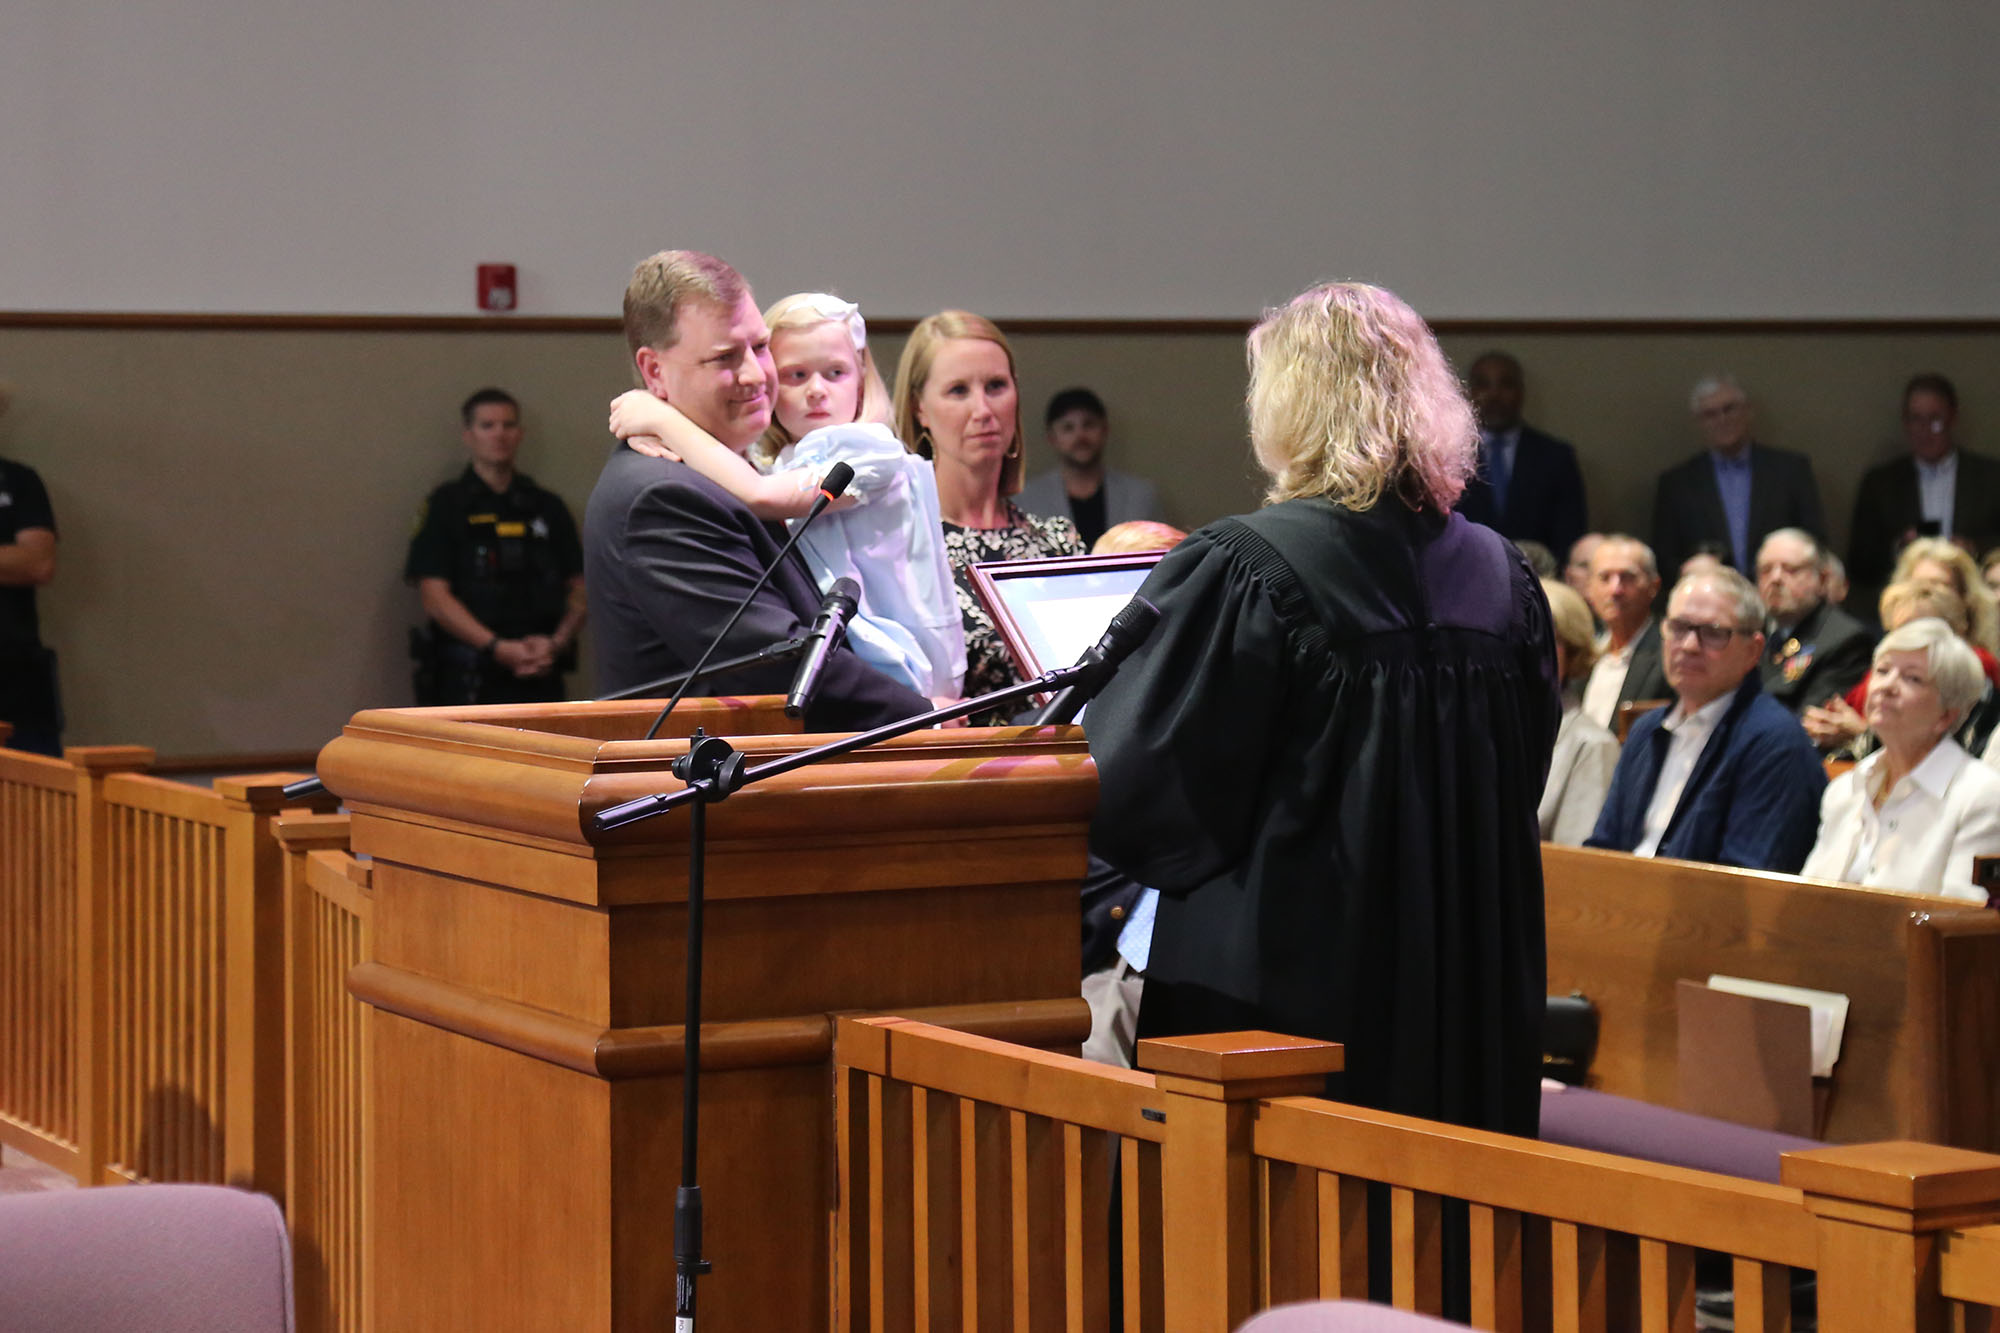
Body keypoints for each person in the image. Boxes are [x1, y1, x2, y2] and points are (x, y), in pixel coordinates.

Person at [1086, 280, 1559, 1141]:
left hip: (1293, 995)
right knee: (1442, 1243)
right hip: (1465, 987)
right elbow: (1523, 776)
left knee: (1284, 1242)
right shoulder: (1502, 576)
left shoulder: (1248, 565)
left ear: (1290, 404)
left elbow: (1139, 788)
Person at [583, 250, 931, 731]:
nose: (755, 375)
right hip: (715, 791)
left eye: (761, 347)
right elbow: (781, 666)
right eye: (724, 357)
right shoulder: (661, 497)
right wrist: (929, 719)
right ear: (655, 371)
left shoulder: (731, 467)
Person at [893, 312, 1085, 718]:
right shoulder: (897, 546)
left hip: (1066, 759)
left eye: (996, 386)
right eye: (958, 390)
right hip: (957, 766)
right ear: (920, 410)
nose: (982, 409)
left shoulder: (1057, 541)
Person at [1586, 566, 1826, 871]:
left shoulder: (1775, 741)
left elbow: (1746, 883)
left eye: (1713, 633)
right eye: (1679, 627)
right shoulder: (1646, 730)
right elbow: (1604, 850)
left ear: (1753, 651)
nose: (1688, 646)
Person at [405, 388, 586, 705]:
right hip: (468, 678)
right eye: (487, 425)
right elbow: (434, 597)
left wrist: (555, 643)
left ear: (520, 433)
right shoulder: (446, 506)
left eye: (508, 425)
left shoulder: (547, 507)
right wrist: (496, 647)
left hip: (541, 674)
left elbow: (581, 587)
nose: (499, 434)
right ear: (468, 434)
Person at [1800, 618, 2000, 900]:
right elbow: (1803, 900)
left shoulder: (1980, 796)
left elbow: (1961, 925)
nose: (1887, 686)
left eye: (1912, 678)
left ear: (1947, 715)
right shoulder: (1844, 790)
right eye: (1882, 671)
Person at [1847, 375, 2000, 611]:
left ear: (1952, 418)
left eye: (1935, 420)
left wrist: (1972, 548)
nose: (1924, 431)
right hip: (1902, 604)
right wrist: (1899, 547)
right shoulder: (1881, 483)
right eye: (1915, 419)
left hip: (1975, 602)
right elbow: (1859, 563)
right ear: (1905, 422)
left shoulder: (1990, 477)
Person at [1651, 374, 1824, 579]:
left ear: (1748, 411)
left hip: (1780, 596)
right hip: (1709, 599)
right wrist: (1689, 571)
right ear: (1699, 422)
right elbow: (1663, 558)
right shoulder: (1677, 483)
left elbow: (1815, 541)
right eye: (1710, 414)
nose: (1722, 419)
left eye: (1729, 409)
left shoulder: (1790, 470)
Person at [1803, 581, 2000, 760]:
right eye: (1895, 631)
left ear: (1954, 634)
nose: (1901, 642)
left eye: (1915, 632)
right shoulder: (1883, 672)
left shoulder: (1973, 685)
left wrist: (1862, 733)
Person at [1455, 351, 1589, 558]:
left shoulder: (1556, 457)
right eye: (1483, 384)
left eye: (1506, 384)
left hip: (1540, 579)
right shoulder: (1449, 457)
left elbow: (1570, 535)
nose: (1494, 395)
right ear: (1468, 392)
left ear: (1521, 392)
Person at [1014, 388, 1162, 551]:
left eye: (1089, 425)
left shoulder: (1140, 495)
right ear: (1052, 437)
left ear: (1105, 430)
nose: (1081, 436)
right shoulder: (1026, 501)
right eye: (1068, 428)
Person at [0, 386, 61, 756]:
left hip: (16, 678)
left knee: (38, 807)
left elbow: (38, 563)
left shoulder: (20, 481)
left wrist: (21, 561)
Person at [1754, 527, 1874, 716]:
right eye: (1766, 570)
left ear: (1822, 579)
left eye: (1791, 570)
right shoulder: (1748, 631)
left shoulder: (1845, 639)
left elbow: (1807, 724)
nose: (1775, 578)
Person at [1540, 579, 1620, 846]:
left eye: (1543, 639)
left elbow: (1574, 869)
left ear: (1573, 652)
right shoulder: (1480, 728)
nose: (1523, 651)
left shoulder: (1593, 746)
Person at [1578, 535, 1669, 730]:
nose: (1615, 589)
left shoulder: (1669, 656)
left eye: (1627, 577)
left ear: (1654, 586)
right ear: (1589, 589)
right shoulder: (1581, 657)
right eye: (1604, 578)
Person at [1889, 536, 2000, 653]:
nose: (1926, 596)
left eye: (1940, 585)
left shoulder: (1979, 664)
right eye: (1918, 584)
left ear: (1965, 598)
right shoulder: (1888, 660)